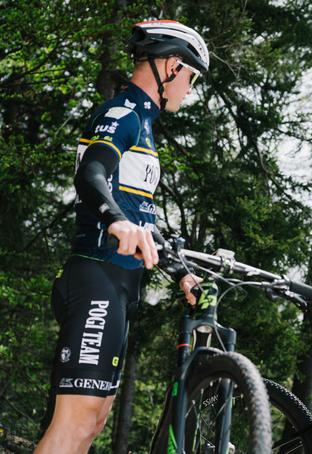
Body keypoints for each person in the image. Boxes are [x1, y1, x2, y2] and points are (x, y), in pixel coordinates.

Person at [35, 20, 209, 453]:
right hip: (97, 275)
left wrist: (179, 272)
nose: (188, 88)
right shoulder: (123, 113)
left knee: (91, 424)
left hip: (119, 283)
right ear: (171, 66)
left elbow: (142, 217)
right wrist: (114, 220)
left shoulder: (145, 124)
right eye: (190, 77)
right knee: (75, 427)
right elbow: (91, 172)